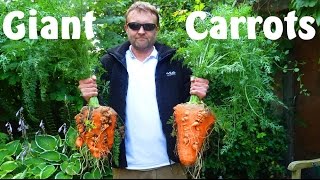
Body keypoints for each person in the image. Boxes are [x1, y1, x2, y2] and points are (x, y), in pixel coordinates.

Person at [78, 1, 209, 179]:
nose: (141, 31)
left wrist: (199, 95)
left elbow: (191, 107)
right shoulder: (108, 63)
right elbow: (97, 114)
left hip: (170, 165)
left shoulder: (176, 62)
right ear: (126, 27)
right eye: (134, 25)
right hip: (125, 168)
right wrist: (87, 97)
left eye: (148, 26)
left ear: (157, 29)